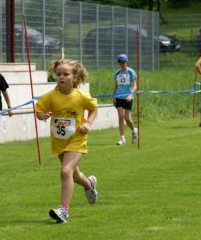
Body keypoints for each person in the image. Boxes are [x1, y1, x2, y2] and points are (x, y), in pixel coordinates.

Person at [35, 59, 99, 223]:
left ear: (74, 77)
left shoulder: (81, 97)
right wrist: (42, 116)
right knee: (73, 174)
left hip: (77, 139)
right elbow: (39, 110)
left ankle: (63, 211)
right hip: (59, 141)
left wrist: (88, 123)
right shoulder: (50, 96)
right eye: (58, 74)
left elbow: (93, 108)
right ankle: (89, 185)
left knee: (65, 171)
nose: (61, 77)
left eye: (66, 74)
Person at [113, 54, 138, 146]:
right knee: (120, 116)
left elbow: (135, 85)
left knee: (127, 118)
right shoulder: (117, 73)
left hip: (128, 98)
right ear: (119, 63)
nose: (122, 64)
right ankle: (122, 138)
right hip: (119, 97)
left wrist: (131, 95)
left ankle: (134, 130)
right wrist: (114, 96)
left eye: (124, 62)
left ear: (126, 62)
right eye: (120, 62)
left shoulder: (131, 72)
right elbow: (116, 85)